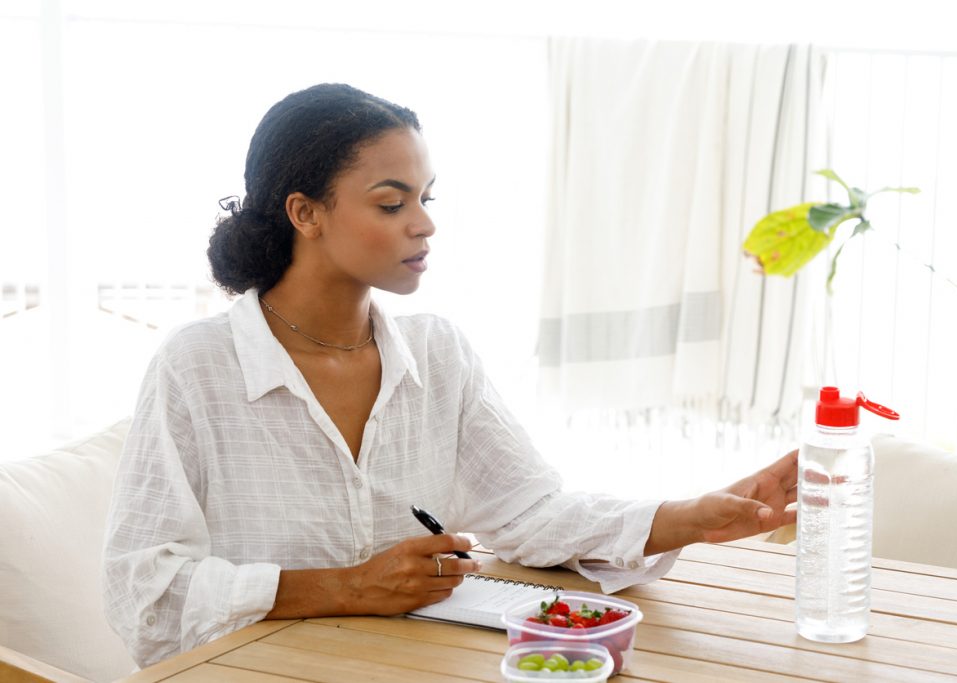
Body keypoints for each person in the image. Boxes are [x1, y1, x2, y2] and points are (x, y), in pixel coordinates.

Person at [102, 83, 798, 668]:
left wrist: (689, 517)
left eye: (427, 197)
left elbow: (531, 512)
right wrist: (347, 586)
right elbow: (145, 594)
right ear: (304, 212)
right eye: (391, 201)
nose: (424, 224)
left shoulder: (438, 354)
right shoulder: (196, 367)